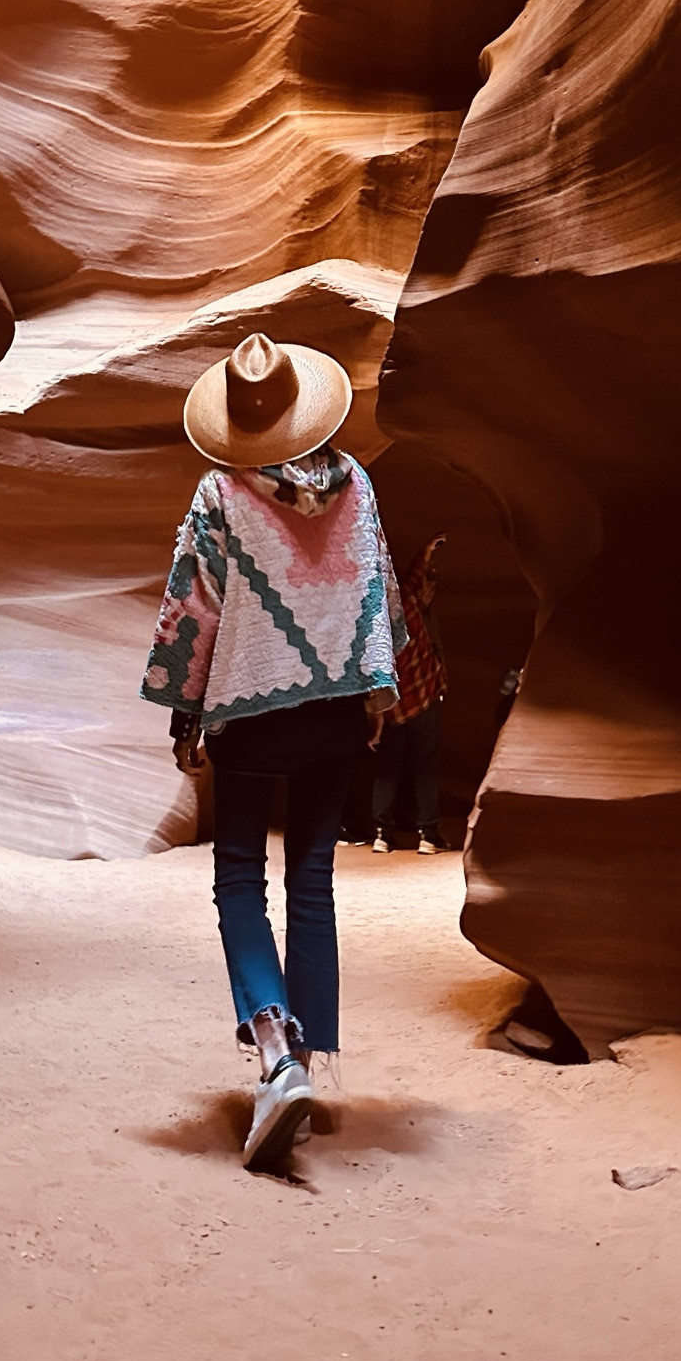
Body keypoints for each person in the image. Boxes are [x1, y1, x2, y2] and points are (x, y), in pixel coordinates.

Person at [141, 332, 406, 1174]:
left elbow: (195, 605)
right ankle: (313, 1056)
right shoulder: (356, 482)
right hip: (332, 715)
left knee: (237, 878)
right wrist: (375, 688)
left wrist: (186, 716)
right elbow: (379, 587)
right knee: (314, 877)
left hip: (250, 715)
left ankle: (275, 1050)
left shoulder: (221, 494)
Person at [371, 535, 449, 854]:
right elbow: (415, 580)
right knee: (425, 766)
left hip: (391, 708)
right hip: (423, 697)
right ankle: (428, 834)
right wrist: (425, 553)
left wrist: (425, 551)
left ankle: (382, 834)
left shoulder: (370, 619)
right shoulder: (406, 601)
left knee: (388, 769)